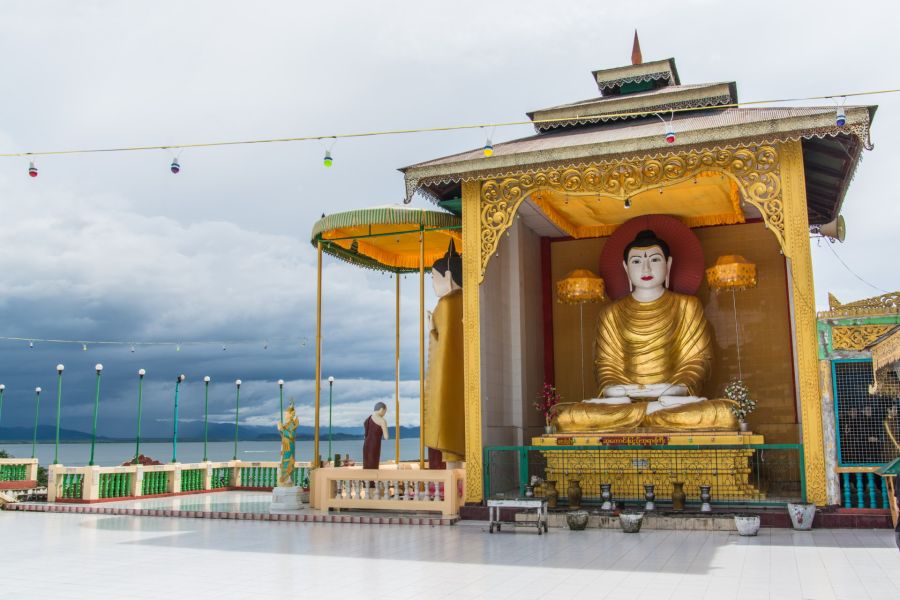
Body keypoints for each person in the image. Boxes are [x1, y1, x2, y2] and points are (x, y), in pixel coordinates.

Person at [363, 402, 389, 469]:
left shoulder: (367, 420)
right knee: (374, 465)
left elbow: (365, 435)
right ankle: (373, 479)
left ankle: (366, 479)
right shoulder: (382, 421)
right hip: (375, 446)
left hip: (366, 446)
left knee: (367, 467)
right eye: (385, 412)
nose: (384, 414)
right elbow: (386, 437)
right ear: (381, 409)